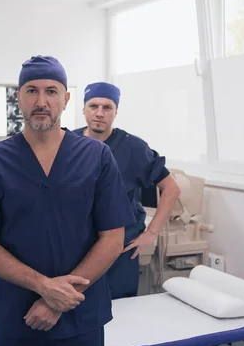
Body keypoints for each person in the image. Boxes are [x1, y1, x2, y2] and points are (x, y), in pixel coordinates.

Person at [0, 56, 136, 346]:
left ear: (66, 99)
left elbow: (112, 238)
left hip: (81, 312)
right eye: (31, 91)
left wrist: (58, 301)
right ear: (18, 97)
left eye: (51, 91)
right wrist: (44, 287)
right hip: (18, 315)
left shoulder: (97, 157)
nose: (41, 101)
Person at [73, 82, 181, 300]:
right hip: (78, 249)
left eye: (107, 108)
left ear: (116, 112)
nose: (99, 113)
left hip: (120, 251)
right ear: (83, 109)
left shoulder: (133, 148)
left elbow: (171, 188)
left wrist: (151, 233)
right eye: (93, 106)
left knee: (121, 314)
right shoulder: (67, 144)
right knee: (77, 307)